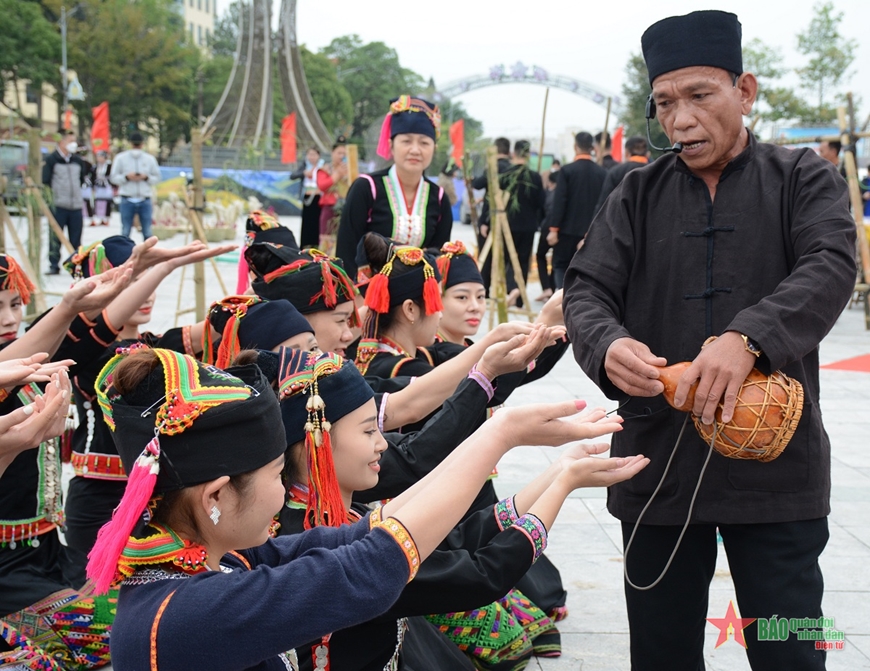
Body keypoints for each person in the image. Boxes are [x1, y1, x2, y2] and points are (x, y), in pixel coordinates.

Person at [562, 10, 857, 671]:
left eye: (700, 95)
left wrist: (749, 336)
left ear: (744, 91)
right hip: (657, 466)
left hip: (777, 478)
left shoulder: (803, 178)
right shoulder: (634, 191)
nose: (680, 120)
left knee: (793, 652)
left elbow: (831, 262)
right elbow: (585, 291)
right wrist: (606, 344)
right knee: (662, 656)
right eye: (665, 103)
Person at [91, 346, 634, 670]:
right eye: (276, 476)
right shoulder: (191, 611)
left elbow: (371, 533)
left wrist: (526, 449)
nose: (283, 492)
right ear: (215, 497)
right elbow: (374, 563)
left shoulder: (214, 566)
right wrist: (503, 435)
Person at [271, 346, 643, 670]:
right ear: (314, 445)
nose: (384, 444)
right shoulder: (317, 545)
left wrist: (559, 472)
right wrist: (560, 481)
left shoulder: (333, 519)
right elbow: (479, 575)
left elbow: (451, 543)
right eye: (370, 432)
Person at [61, 236, 234, 581]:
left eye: (149, 279)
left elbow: (223, 327)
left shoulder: (157, 347)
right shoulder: (88, 358)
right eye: (133, 282)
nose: (147, 292)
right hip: (99, 503)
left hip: (157, 502)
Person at [336, 97, 453, 279]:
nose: (415, 150)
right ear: (391, 145)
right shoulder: (367, 188)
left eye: (424, 143)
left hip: (417, 296)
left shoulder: (439, 198)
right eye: (406, 141)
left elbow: (440, 257)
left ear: (434, 148)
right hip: (366, 296)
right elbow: (346, 249)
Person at [547, 132, 606, 289]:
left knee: (560, 266)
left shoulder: (567, 171)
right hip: (591, 232)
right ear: (592, 148)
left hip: (567, 230)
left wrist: (553, 229)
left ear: (575, 147)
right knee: (585, 269)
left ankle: (561, 299)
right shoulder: (602, 173)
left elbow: (560, 201)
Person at [499, 140, 545, 308]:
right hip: (528, 225)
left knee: (506, 259)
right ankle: (519, 296)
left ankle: (509, 290)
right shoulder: (534, 176)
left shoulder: (506, 174)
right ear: (528, 154)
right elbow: (541, 202)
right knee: (523, 260)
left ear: (514, 153)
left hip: (507, 224)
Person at [470, 137, 513, 293]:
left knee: (486, 256)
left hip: (491, 217)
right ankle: (507, 290)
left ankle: (484, 289)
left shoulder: (493, 168)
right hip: (509, 221)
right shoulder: (513, 169)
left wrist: (485, 222)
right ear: (508, 151)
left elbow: (477, 184)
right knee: (507, 257)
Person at [42, 133, 87, 275]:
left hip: (75, 205)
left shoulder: (77, 160)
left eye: (74, 140)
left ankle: (75, 264)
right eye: (70, 140)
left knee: (76, 237)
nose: (73, 143)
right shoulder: (52, 160)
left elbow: (81, 179)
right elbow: (46, 181)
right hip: (58, 205)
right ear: (61, 142)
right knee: (55, 236)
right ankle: (54, 264)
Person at [110, 131, 162, 240]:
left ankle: (148, 256)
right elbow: (113, 178)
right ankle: (125, 256)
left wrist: (146, 177)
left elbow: (157, 178)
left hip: (144, 198)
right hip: (127, 198)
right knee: (125, 232)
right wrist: (126, 177)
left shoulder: (149, 159)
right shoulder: (121, 158)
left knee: (147, 232)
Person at [595, 135, 650, 213]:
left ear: (627, 153)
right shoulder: (657, 172)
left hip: (621, 220)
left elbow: (604, 203)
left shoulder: (615, 172)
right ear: (647, 154)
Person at [314, 139, 349, 246]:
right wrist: (337, 175)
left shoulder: (350, 170)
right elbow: (322, 186)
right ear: (332, 153)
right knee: (327, 240)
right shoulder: (325, 169)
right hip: (329, 209)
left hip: (345, 208)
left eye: (344, 154)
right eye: (339, 153)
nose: (341, 156)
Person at [291, 147, 324, 249]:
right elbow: (292, 176)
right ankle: (305, 245)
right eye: (310, 154)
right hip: (307, 198)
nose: (312, 157)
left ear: (318, 156)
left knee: (318, 221)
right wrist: (304, 173)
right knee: (306, 222)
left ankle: (317, 245)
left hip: (319, 197)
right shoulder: (304, 166)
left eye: (314, 154)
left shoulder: (323, 166)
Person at [535, 171, 559, 301]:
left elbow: (542, 211)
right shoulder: (566, 194)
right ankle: (552, 287)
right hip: (560, 231)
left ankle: (547, 288)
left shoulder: (550, 194)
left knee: (540, 255)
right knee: (556, 260)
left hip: (547, 229)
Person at [89, 151, 114, 227]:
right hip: (98, 186)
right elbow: (92, 177)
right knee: (98, 202)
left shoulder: (109, 166)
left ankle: (106, 218)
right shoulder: (95, 166)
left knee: (107, 202)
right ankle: (100, 218)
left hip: (107, 186)